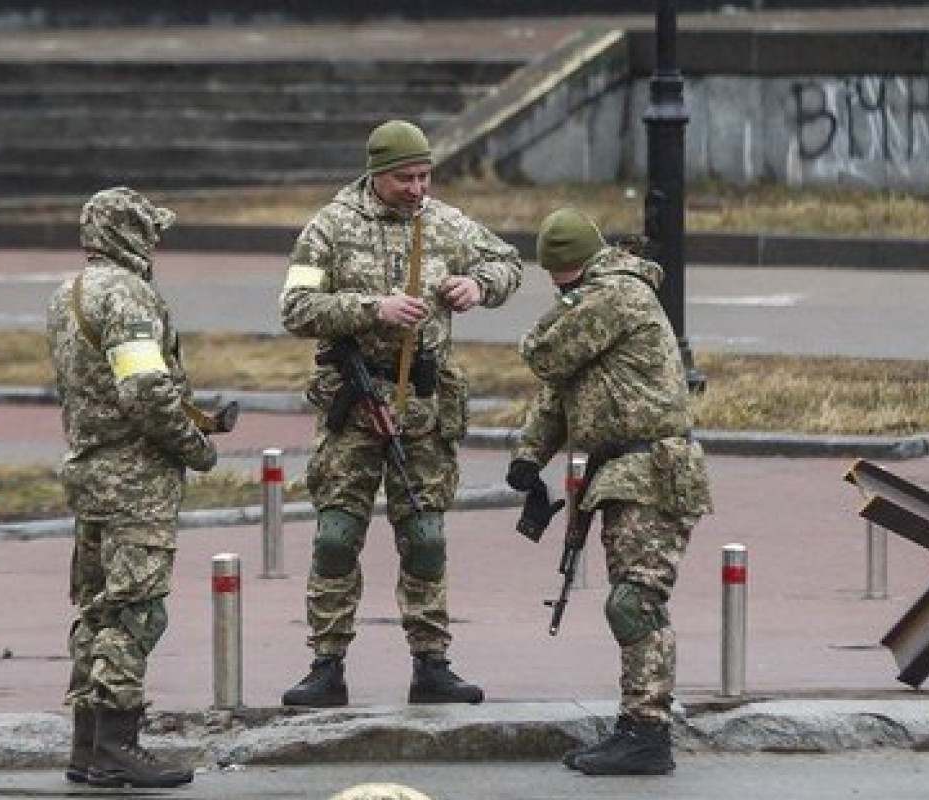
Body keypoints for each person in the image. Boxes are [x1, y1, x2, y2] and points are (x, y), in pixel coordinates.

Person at [278, 119, 524, 707]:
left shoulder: (444, 223)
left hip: (423, 409)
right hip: (354, 407)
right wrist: (373, 308)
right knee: (338, 536)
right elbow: (295, 306)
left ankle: (432, 663)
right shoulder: (330, 228)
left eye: (423, 175)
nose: (417, 188)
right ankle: (326, 664)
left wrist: (478, 284)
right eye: (403, 178)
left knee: (425, 535)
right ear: (375, 174)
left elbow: (510, 262)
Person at [505, 207, 712, 776]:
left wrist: (563, 308)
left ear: (577, 266)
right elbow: (559, 386)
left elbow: (543, 352)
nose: (559, 290)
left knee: (635, 601)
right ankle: (636, 724)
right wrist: (528, 457)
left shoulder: (616, 294)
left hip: (653, 469)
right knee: (630, 598)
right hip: (622, 472)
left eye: (561, 280)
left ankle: (647, 732)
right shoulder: (592, 301)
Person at [46, 187, 216, 789]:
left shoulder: (68, 293)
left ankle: (88, 746)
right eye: (151, 232)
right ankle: (119, 747)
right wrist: (195, 446)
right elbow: (144, 391)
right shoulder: (130, 296)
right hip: (135, 479)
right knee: (136, 611)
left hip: (90, 471)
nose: (157, 243)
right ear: (128, 234)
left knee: (95, 609)